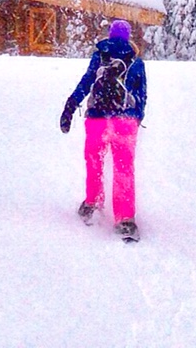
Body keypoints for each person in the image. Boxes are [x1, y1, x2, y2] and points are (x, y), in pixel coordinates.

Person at [60, 19, 146, 242]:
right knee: (123, 168)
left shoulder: (100, 56)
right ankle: (125, 219)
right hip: (124, 122)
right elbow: (142, 96)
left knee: (94, 161)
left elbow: (86, 82)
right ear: (128, 38)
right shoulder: (136, 61)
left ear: (110, 35)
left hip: (97, 119)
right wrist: (136, 118)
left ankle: (93, 204)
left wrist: (71, 105)